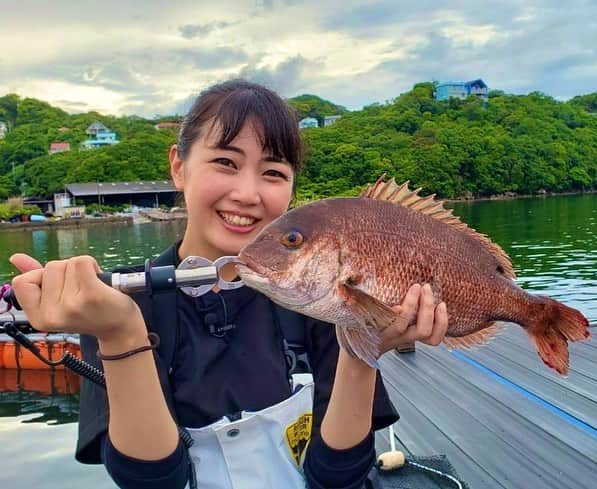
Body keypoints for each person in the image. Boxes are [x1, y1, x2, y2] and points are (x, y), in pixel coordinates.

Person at [10, 79, 449, 489]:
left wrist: (362, 352)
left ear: (292, 188)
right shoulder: (120, 303)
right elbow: (153, 481)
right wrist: (121, 334)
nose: (247, 193)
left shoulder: (318, 291)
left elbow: (337, 477)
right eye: (225, 162)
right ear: (178, 166)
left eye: (273, 172)